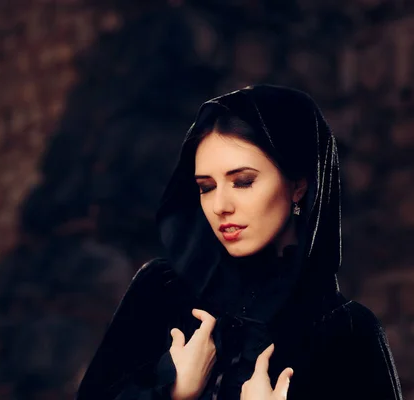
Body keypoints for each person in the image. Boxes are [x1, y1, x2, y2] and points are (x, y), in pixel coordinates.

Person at [74, 85, 403, 400]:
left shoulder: (350, 333)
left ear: (298, 186)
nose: (220, 206)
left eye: (243, 181)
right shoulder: (160, 291)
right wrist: (173, 392)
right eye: (206, 186)